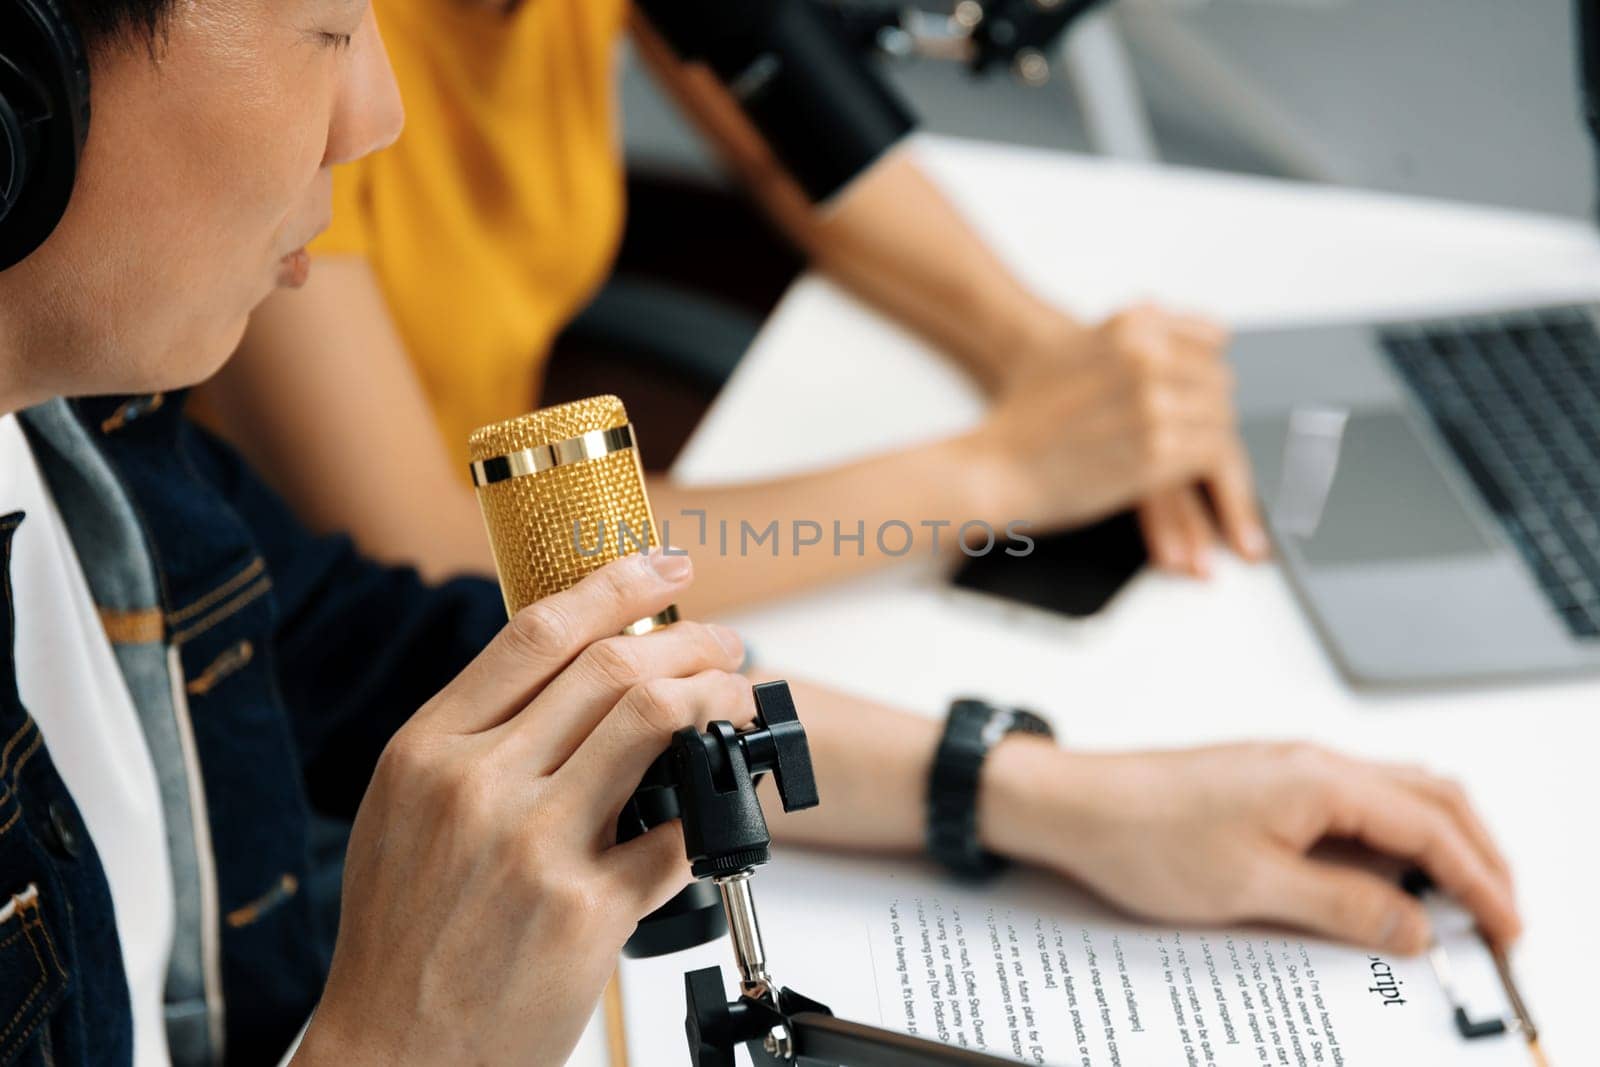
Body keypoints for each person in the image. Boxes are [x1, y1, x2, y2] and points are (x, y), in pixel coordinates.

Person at [0, 2, 1519, 1065]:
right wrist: (407, 1043)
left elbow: (380, 642)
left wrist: (1035, 788)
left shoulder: (99, 433)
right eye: (327, 25)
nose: (376, 111)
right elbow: (438, 549)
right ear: (24, 84)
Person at [192, 0, 1270, 619]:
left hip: (523, 555)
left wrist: (1038, 347)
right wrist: (999, 470)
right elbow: (422, 543)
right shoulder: (298, 48)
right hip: (320, 643)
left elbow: (785, 142)